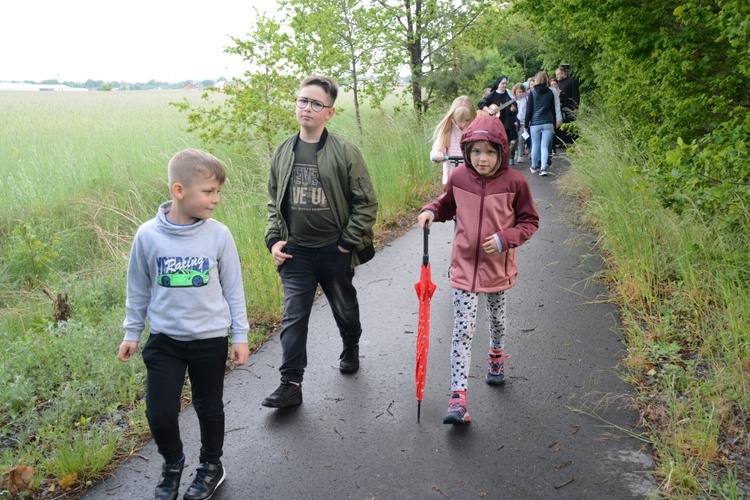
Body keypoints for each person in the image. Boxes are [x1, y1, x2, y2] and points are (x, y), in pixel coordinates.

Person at [118, 148, 250, 500]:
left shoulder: (218, 235)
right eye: (209, 192)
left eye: (218, 192)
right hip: (165, 340)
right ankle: (173, 463)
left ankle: (211, 466)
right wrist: (133, 331)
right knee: (159, 413)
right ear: (180, 191)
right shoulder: (147, 236)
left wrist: (239, 335)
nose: (216, 199)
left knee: (208, 407)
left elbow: (234, 289)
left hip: (209, 339)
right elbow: (138, 287)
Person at [263, 75, 378, 409]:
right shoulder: (284, 151)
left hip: (334, 249)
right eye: (302, 101)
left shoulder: (345, 152)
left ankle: (350, 344)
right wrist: (273, 240)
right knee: (294, 316)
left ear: (329, 112)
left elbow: (366, 202)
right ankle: (291, 384)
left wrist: (346, 243)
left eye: (316, 104)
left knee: (345, 308)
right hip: (296, 251)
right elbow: (273, 202)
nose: (307, 108)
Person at [417, 115, 539, 424]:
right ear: (467, 150)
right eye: (475, 151)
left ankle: (496, 357)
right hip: (464, 267)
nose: (482, 159)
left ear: (502, 152)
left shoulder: (515, 182)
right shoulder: (459, 177)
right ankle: (458, 398)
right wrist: (431, 211)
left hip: (497, 267)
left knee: (497, 321)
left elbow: (529, 222)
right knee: (463, 330)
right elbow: (446, 204)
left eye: (489, 152)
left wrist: (503, 239)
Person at [430, 95, 475, 184]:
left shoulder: (475, 129)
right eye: (459, 121)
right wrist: (438, 154)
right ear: (453, 117)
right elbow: (437, 148)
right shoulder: (447, 130)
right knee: (451, 197)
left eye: (467, 120)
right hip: (451, 176)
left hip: (472, 176)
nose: (463, 124)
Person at [524, 71, 562, 177]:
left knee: (535, 144)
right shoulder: (550, 92)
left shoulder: (532, 92)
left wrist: (526, 124)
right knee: (544, 146)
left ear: (536, 80)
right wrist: (554, 122)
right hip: (548, 122)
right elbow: (553, 109)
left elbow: (529, 110)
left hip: (535, 122)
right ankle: (543, 168)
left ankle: (533, 166)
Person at [477, 76, 517, 150]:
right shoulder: (492, 94)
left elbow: (515, 108)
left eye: (506, 83)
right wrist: (489, 110)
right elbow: (481, 104)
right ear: (498, 84)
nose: (505, 85)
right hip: (493, 124)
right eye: (503, 83)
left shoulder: (508, 96)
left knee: (505, 145)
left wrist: (513, 110)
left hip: (505, 125)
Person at [555, 66, 580, 144]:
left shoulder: (571, 81)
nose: (557, 76)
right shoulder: (559, 83)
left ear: (563, 73)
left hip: (570, 107)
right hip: (561, 107)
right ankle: (563, 141)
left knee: (570, 124)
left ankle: (572, 140)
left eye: (558, 74)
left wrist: (576, 107)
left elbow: (575, 94)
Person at [510, 83, 528, 164]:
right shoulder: (513, 100)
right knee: (515, 140)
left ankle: (520, 156)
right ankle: (515, 153)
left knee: (521, 139)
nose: (519, 93)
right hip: (515, 121)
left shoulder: (526, 99)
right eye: (518, 92)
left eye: (521, 92)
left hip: (524, 121)